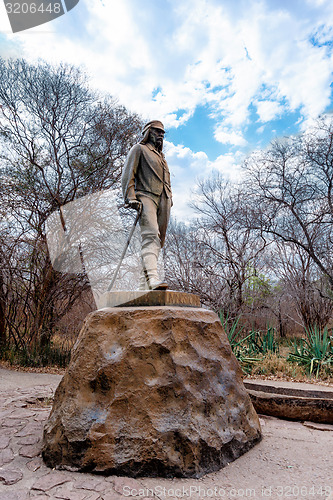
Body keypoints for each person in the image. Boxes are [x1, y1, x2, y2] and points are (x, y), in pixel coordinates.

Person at [122, 120, 172, 290]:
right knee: (150, 236)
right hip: (146, 196)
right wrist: (131, 197)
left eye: (162, 133)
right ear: (148, 132)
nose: (160, 135)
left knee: (159, 240)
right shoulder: (139, 149)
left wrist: (169, 198)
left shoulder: (161, 157)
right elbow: (128, 174)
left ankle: (145, 285)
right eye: (157, 131)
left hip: (164, 199)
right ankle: (153, 278)